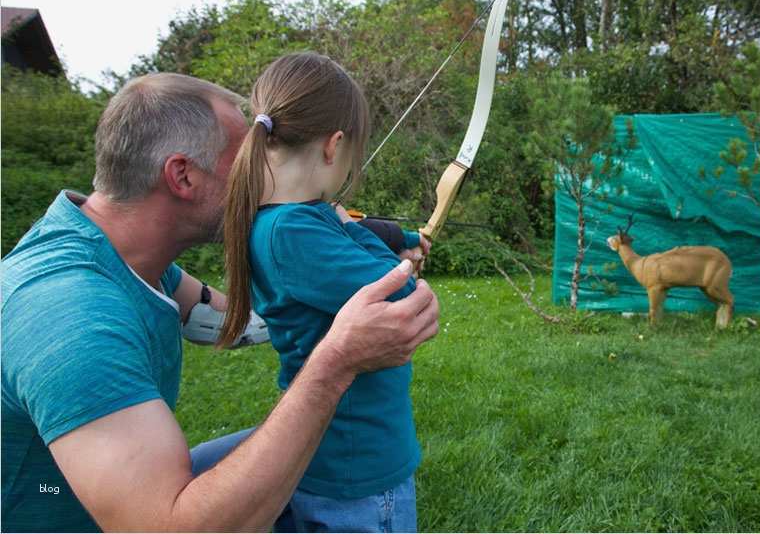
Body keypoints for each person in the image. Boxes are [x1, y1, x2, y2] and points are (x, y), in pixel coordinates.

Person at [0, 72, 439, 532]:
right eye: (247, 159)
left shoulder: (127, 259)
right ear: (182, 175)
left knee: (309, 450)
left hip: (105, 496)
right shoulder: (73, 319)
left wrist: (311, 295)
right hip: (111, 517)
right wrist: (336, 361)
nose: (262, 174)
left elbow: (232, 319)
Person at [216, 51, 428, 533]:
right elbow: (400, 297)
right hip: (357, 460)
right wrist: (394, 259)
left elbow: (355, 244)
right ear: (334, 145)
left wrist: (400, 241)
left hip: (339, 449)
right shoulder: (293, 232)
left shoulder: (288, 222)